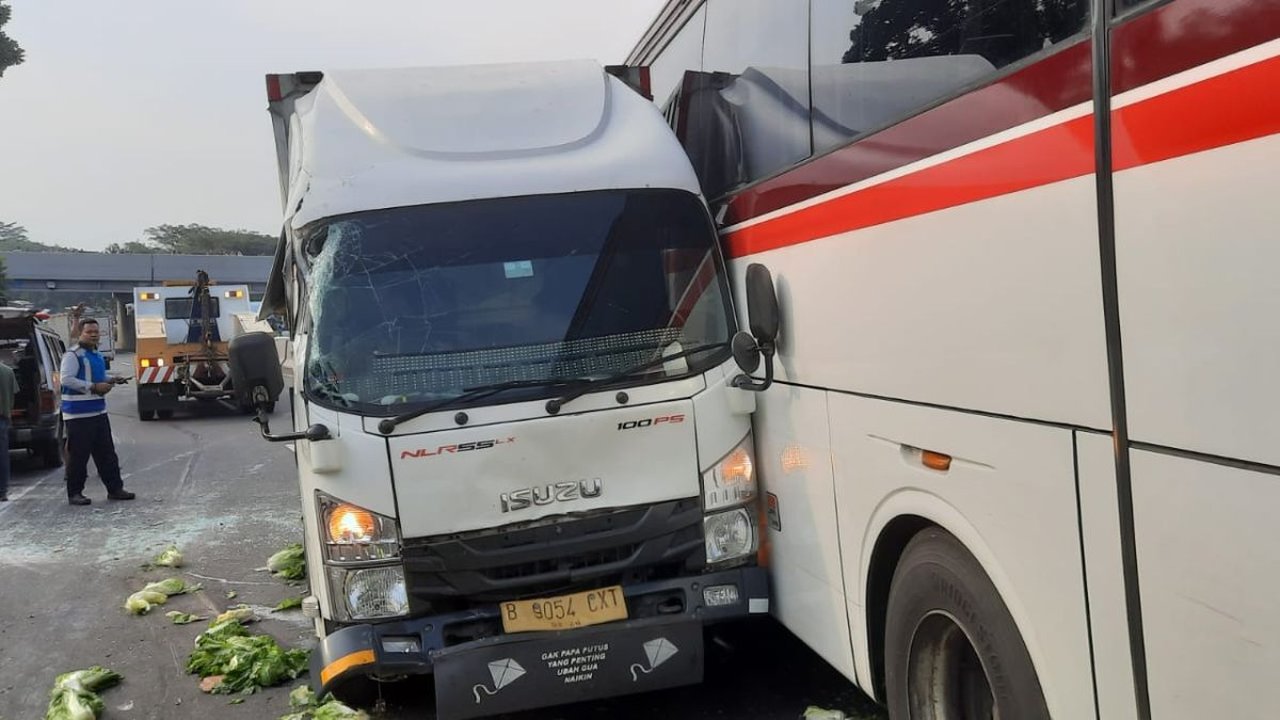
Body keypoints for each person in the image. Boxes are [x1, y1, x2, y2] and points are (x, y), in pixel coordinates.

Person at [60, 318, 134, 506]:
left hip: (98, 412)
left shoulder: (97, 355)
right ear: (80, 333)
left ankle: (115, 489)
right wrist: (93, 387)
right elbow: (66, 379)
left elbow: (98, 377)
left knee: (107, 454)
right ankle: (75, 493)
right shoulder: (73, 355)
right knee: (79, 456)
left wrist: (112, 380)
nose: (93, 334)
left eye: (96, 331)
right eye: (89, 331)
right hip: (78, 415)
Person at [0, 358, 13, 502]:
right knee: (2, 456)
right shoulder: (8, 371)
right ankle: (2, 491)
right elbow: (12, 393)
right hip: (3, 417)